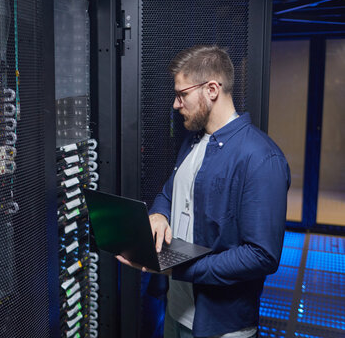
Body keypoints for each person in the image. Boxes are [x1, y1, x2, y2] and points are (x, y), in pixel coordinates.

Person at [117, 45, 290, 338]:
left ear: (212, 89)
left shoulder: (261, 158)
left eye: (182, 94)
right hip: (175, 312)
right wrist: (159, 214)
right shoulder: (193, 141)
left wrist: (178, 269)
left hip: (220, 328)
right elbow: (171, 194)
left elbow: (262, 255)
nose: (175, 104)